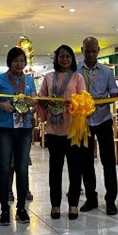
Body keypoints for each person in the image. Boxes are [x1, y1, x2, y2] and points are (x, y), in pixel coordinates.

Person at [0, 47, 37, 226]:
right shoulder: (0, 79)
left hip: (24, 128)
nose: (19, 64)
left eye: (22, 61)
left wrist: (31, 102)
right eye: (16, 61)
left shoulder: (29, 80)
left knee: (22, 168)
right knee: (3, 168)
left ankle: (21, 209)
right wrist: (1, 104)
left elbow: (34, 99)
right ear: (9, 62)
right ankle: (4, 209)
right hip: (4, 128)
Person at [39, 45, 86, 220]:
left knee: (75, 169)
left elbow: (84, 101)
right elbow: (41, 98)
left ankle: (73, 204)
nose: (64, 59)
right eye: (61, 56)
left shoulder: (78, 77)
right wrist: (46, 102)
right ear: (56, 58)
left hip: (73, 130)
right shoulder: (48, 77)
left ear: (72, 58)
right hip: (53, 130)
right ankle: (55, 205)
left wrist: (71, 103)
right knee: (55, 170)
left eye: (68, 56)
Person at [77, 37, 118, 215]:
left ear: (98, 51)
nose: (91, 54)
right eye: (87, 51)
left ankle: (111, 200)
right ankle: (91, 198)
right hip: (83, 122)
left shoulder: (106, 72)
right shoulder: (75, 70)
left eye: (94, 51)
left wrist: (104, 101)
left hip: (102, 120)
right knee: (86, 163)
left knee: (108, 161)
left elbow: (115, 93)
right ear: (82, 50)